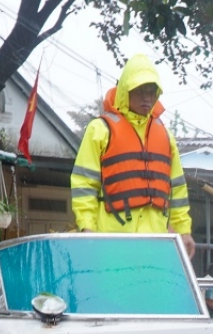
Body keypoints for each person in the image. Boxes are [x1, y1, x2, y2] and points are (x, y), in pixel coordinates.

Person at [70, 55, 196, 258]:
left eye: (151, 91)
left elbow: (178, 190)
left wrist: (184, 230)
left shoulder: (166, 136)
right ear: (125, 91)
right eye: (139, 90)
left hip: (156, 244)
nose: (147, 97)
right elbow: (84, 184)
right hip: (111, 242)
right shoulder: (100, 130)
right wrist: (87, 227)